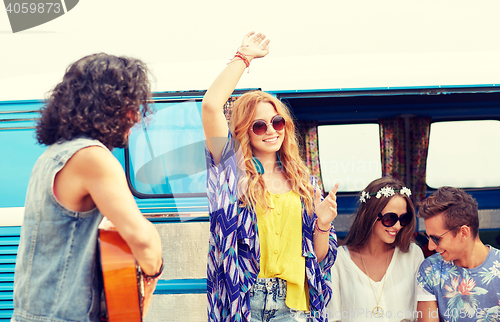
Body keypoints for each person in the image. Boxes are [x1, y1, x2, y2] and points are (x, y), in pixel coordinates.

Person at [11, 54, 163, 322]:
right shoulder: (92, 157)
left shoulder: (52, 155)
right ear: (109, 105)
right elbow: (143, 239)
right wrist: (153, 271)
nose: (137, 117)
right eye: (132, 105)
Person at [202, 32, 338, 322]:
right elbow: (212, 105)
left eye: (277, 122)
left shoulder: (304, 183)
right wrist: (243, 57)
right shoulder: (230, 172)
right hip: (243, 300)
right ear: (243, 132)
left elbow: (320, 259)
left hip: (293, 303)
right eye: (259, 126)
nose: (272, 130)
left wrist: (323, 225)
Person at [328, 177, 424, 321]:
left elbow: (422, 313)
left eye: (404, 218)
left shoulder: (413, 254)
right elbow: (332, 317)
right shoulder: (338, 260)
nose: (397, 226)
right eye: (390, 218)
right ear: (370, 215)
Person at [416, 187, 500, 321]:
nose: (430, 246)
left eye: (436, 238)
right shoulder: (430, 270)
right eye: (428, 238)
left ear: (464, 233)